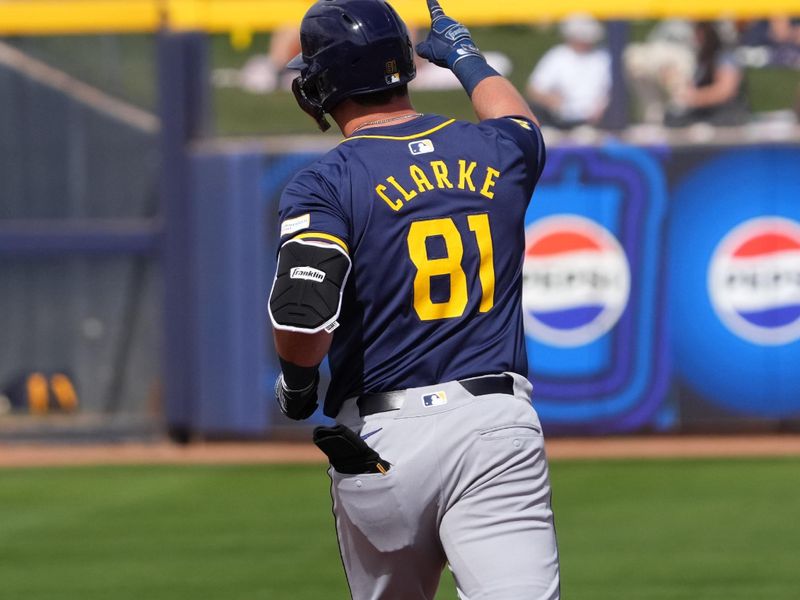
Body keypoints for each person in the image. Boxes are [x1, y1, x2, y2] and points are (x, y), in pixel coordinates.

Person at [268, 0, 560, 598]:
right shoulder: (495, 151)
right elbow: (524, 126)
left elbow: (303, 314)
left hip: (383, 442)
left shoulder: (326, 181)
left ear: (321, 83)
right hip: (493, 427)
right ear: (402, 66)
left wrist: (299, 386)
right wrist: (465, 58)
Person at [525, 14, 611, 128]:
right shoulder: (557, 55)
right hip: (558, 120)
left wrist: (603, 106)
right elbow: (534, 89)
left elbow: (613, 90)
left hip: (596, 122)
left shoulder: (603, 56)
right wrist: (550, 100)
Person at [665, 21, 749, 127]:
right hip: (704, 113)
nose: (696, 35)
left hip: (725, 116)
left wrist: (695, 97)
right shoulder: (700, 56)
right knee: (671, 119)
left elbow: (725, 90)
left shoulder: (725, 55)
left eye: (701, 30)